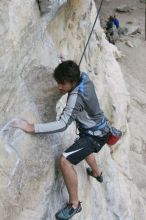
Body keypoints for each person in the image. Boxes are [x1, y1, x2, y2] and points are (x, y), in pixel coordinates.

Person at [11, 60, 121, 220]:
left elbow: (62, 124)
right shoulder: (83, 77)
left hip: (94, 136)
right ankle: (97, 173)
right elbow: (73, 76)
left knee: (65, 160)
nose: (59, 87)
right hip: (99, 129)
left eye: (62, 84)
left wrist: (32, 127)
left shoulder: (76, 98)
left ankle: (75, 205)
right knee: (84, 149)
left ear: (72, 82)